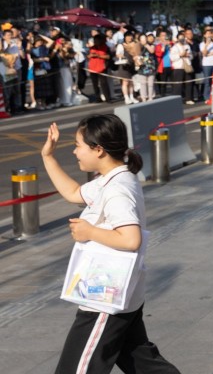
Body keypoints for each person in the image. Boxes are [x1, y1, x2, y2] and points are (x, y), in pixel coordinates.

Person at [39, 115, 180, 374]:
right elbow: (73, 194)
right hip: (120, 293)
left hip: (104, 298)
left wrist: (89, 231)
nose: (75, 151)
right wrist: (48, 157)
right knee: (142, 363)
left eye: (79, 145)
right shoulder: (111, 179)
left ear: (99, 150)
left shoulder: (118, 189)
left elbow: (130, 238)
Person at [112, 32, 136, 105]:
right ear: (125, 37)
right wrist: (122, 56)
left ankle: (132, 96)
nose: (129, 38)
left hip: (132, 65)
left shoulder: (134, 44)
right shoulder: (121, 45)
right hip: (124, 65)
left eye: (131, 36)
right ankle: (126, 97)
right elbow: (117, 54)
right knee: (125, 82)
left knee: (131, 82)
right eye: (128, 36)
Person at [87, 32, 111, 103]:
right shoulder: (91, 48)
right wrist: (90, 56)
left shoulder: (106, 47)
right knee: (95, 84)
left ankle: (108, 98)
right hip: (92, 68)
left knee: (104, 83)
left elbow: (108, 56)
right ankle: (98, 97)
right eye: (94, 40)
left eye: (97, 40)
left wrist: (98, 56)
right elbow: (88, 56)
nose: (96, 42)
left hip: (102, 67)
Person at [199, 28, 213, 101]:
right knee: (207, 81)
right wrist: (207, 44)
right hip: (207, 65)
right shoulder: (202, 44)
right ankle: (207, 97)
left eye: (210, 33)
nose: (209, 35)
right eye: (208, 34)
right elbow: (204, 53)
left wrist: (210, 53)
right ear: (204, 35)